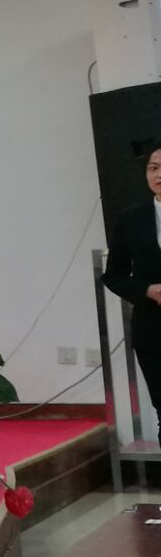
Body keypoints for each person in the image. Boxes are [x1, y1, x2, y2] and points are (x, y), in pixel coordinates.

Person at [101, 143, 161, 415]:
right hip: (153, 329)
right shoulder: (131, 219)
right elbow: (114, 276)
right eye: (153, 168)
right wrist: (148, 290)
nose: (158, 174)